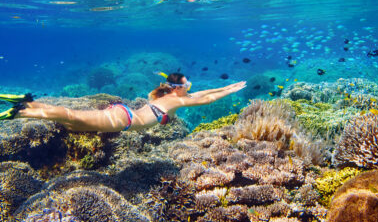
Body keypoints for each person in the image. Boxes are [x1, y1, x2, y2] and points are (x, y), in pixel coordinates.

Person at [0, 73, 246, 132]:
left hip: (122, 115)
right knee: (70, 115)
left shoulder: (171, 96)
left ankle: (26, 104)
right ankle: (19, 112)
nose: (191, 88)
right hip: (123, 119)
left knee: (74, 125)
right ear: (177, 88)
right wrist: (229, 93)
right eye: (188, 85)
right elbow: (207, 99)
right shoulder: (175, 101)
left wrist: (228, 86)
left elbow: (206, 92)